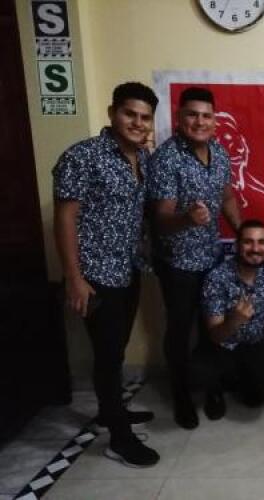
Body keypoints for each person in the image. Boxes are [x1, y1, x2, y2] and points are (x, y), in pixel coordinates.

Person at [53, 82, 160, 467]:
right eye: (130, 114)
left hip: (128, 268)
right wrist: (74, 278)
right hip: (96, 274)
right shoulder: (83, 156)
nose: (137, 122)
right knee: (108, 354)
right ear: (113, 113)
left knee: (115, 348)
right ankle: (119, 438)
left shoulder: (142, 158)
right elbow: (65, 218)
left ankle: (110, 411)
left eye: (145, 117)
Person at [147, 86, 242, 429]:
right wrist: (187, 219)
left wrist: (242, 232)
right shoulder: (166, 159)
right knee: (180, 329)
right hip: (178, 264)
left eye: (206, 116)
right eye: (192, 115)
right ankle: (181, 394)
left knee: (211, 325)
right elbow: (160, 218)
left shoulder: (219, 152)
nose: (200, 122)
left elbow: (227, 197)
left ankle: (211, 386)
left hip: (212, 258)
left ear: (214, 121)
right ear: (179, 117)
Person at [199, 219, 264, 418]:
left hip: (256, 344)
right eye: (248, 242)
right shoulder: (217, 278)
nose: (255, 249)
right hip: (224, 346)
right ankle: (216, 389)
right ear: (237, 245)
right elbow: (215, 335)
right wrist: (234, 320)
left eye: (261, 242)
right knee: (200, 372)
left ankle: (244, 380)